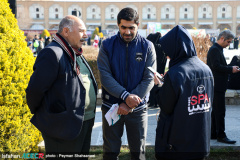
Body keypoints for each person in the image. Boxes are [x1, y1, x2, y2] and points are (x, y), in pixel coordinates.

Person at [26, 15, 98, 155]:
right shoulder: (52, 53)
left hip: (84, 123)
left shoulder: (74, 51)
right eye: (81, 31)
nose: (86, 35)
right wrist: (48, 116)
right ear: (66, 31)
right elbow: (35, 91)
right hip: (63, 128)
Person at [97, 7, 156, 160]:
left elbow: (149, 78)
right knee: (110, 152)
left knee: (139, 153)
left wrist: (130, 103)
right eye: (123, 27)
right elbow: (105, 76)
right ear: (118, 25)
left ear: (138, 25)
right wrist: (125, 96)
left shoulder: (147, 46)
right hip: (112, 108)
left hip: (138, 109)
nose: (127, 32)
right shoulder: (107, 45)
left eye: (132, 28)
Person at [154, 25, 214, 160]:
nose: (168, 56)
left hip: (177, 145)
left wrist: (159, 85)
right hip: (200, 142)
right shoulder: (206, 69)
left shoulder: (176, 73)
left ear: (176, 48)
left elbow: (166, 106)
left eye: (168, 51)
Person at [207, 29, 240, 144]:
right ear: (222, 39)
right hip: (217, 85)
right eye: (228, 42)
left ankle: (213, 133)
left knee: (216, 111)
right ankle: (221, 135)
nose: (229, 44)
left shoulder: (217, 49)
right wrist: (231, 69)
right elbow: (215, 66)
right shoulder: (215, 50)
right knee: (220, 111)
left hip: (218, 84)